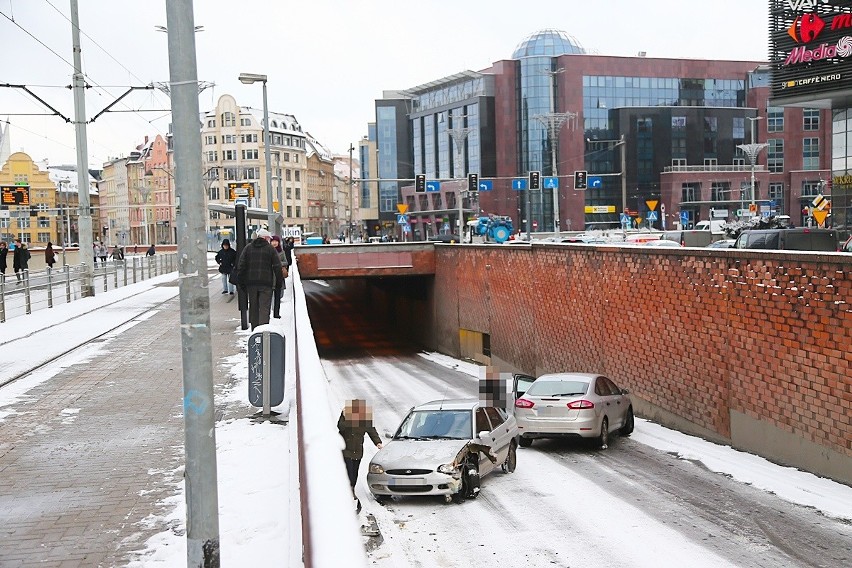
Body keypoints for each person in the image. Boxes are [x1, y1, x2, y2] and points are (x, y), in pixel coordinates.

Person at [337, 399, 383, 512]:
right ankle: (349, 492)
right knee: (348, 472)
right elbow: (340, 427)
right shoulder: (345, 417)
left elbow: (372, 431)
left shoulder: (365, 419)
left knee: (355, 472)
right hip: (346, 450)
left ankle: (352, 488)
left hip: (357, 451)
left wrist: (378, 442)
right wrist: (346, 416)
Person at [235, 228, 282, 330]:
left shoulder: (248, 248)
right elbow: (277, 267)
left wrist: (241, 283)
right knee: (264, 308)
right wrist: (278, 283)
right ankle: (263, 332)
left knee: (253, 307)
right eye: (268, 238)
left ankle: (255, 330)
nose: (269, 240)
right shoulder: (270, 249)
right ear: (265, 238)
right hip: (266, 284)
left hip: (251, 284)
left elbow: (241, 266)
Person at [269, 235, 290, 318]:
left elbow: (286, 262)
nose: (274, 243)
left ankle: (276, 313)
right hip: (270, 276)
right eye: (273, 241)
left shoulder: (282, 252)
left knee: (278, 295)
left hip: (278, 276)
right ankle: (270, 312)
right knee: (269, 296)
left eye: (276, 241)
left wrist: (278, 264)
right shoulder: (268, 251)